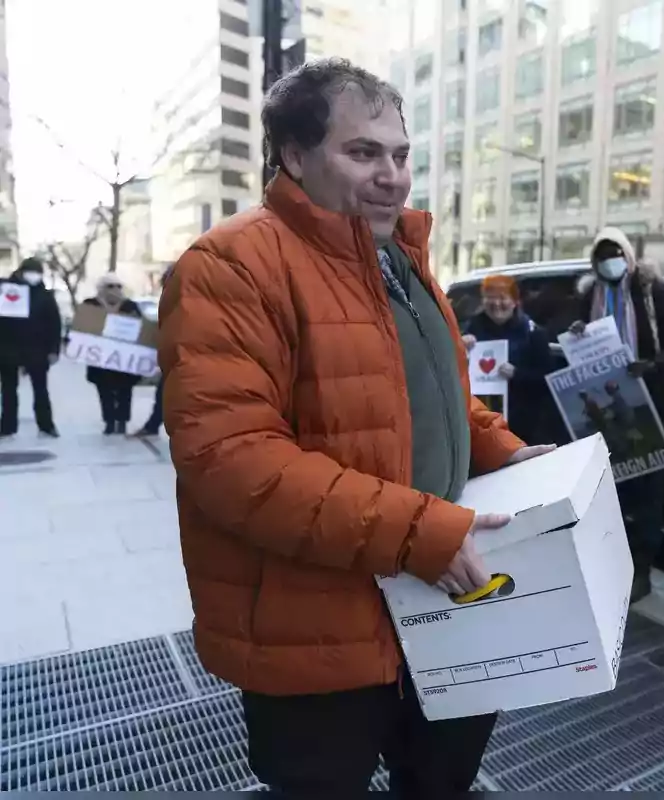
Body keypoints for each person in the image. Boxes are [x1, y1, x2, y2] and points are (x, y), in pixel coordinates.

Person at [154, 58, 552, 796]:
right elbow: (233, 461)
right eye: (363, 152)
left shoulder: (402, 260)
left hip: (444, 606)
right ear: (295, 157)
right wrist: (418, 534)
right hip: (317, 635)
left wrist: (511, 450)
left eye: (401, 155)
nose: (393, 177)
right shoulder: (228, 266)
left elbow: (435, 397)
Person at [568, 227, 664, 603]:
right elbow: (570, 334)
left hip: (648, 407)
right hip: (604, 412)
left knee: (648, 493)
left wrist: (651, 364)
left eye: (616, 253)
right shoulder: (590, 294)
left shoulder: (650, 291)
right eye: (603, 255)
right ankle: (614, 564)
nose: (611, 261)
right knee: (611, 492)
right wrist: (575, 330)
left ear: (627, 255)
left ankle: (644, 570)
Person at [460, 274, 554, 444]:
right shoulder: (471, 329)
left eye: (503, 298)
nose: (496, 304)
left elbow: (548, 381)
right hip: (481, 426)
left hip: (523, 428)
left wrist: (517, 374)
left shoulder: (532, 333)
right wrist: (460, 348)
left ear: (515, 301)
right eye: (490, 298)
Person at [0, 257, 62, 438]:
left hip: (37, 349)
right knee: (9, 389)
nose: (34, 276)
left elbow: (54, 324)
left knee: (40, 389)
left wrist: (53, 349)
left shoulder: (44, 295)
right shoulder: (6, 290)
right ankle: (7, 426)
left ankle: (46, 424)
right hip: (8, 348)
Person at [84, 275, 143, 436]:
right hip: (100, 357)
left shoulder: (130, 306)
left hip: (124, 358)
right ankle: (109, 421)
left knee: (125, 390)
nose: (115, 290)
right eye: (110, 286)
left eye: (118, 286)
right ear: (102, 288)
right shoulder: (91, 304)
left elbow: (139, 328)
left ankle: (122, 421)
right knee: (104, 390)